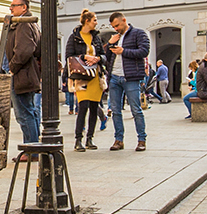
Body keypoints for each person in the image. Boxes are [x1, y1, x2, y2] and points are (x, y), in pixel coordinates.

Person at [105, 12, 151, 151]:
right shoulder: (115, 37)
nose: (116, 29)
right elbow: (107, 57)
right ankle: (119, 140)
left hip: (130, 77)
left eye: (117, 25)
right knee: (115, 110)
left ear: (124, 20)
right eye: (113, 26)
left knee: (136, 109)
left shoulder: (139, 33)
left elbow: (144, 51)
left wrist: (123, 51)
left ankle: (141, 139)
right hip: (114, 77)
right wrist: (109, 44)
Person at [2, 0, 42, 154]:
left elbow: (24, 50)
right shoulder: (24, 23)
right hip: (24, 74)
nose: (10, 8)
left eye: (14, 5)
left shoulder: (24, 24)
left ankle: (32, 149)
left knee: (24, 114)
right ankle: (33, 147)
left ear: (23, 7)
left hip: (22, 75)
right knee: (29, 111)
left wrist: (12, 68)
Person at [65, 10, 107, 151]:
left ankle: (90, 139)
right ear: (87, 21)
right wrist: (84, 57)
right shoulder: (75, 37)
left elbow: (103, 55)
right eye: (94, 20)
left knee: (94, 108)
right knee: (82, 108)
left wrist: (98, 58)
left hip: (96, 76)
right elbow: (69, 56)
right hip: (82, 78)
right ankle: (78, 140)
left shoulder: (96, 38)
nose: (96, 22)